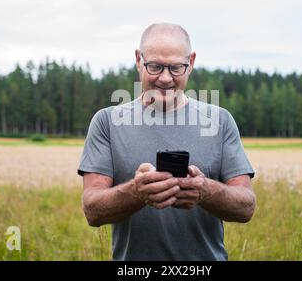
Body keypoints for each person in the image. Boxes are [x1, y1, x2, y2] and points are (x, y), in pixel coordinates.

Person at [77, 23, 256, 261]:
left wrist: (206, 190)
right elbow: (92, 211)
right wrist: (136, 191)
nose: (165, 78)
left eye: (175, 68)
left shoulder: (220, 121)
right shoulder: (107, 122)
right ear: (138, 60)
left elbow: (246, 208)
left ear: (191, 63)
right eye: (155, 66)